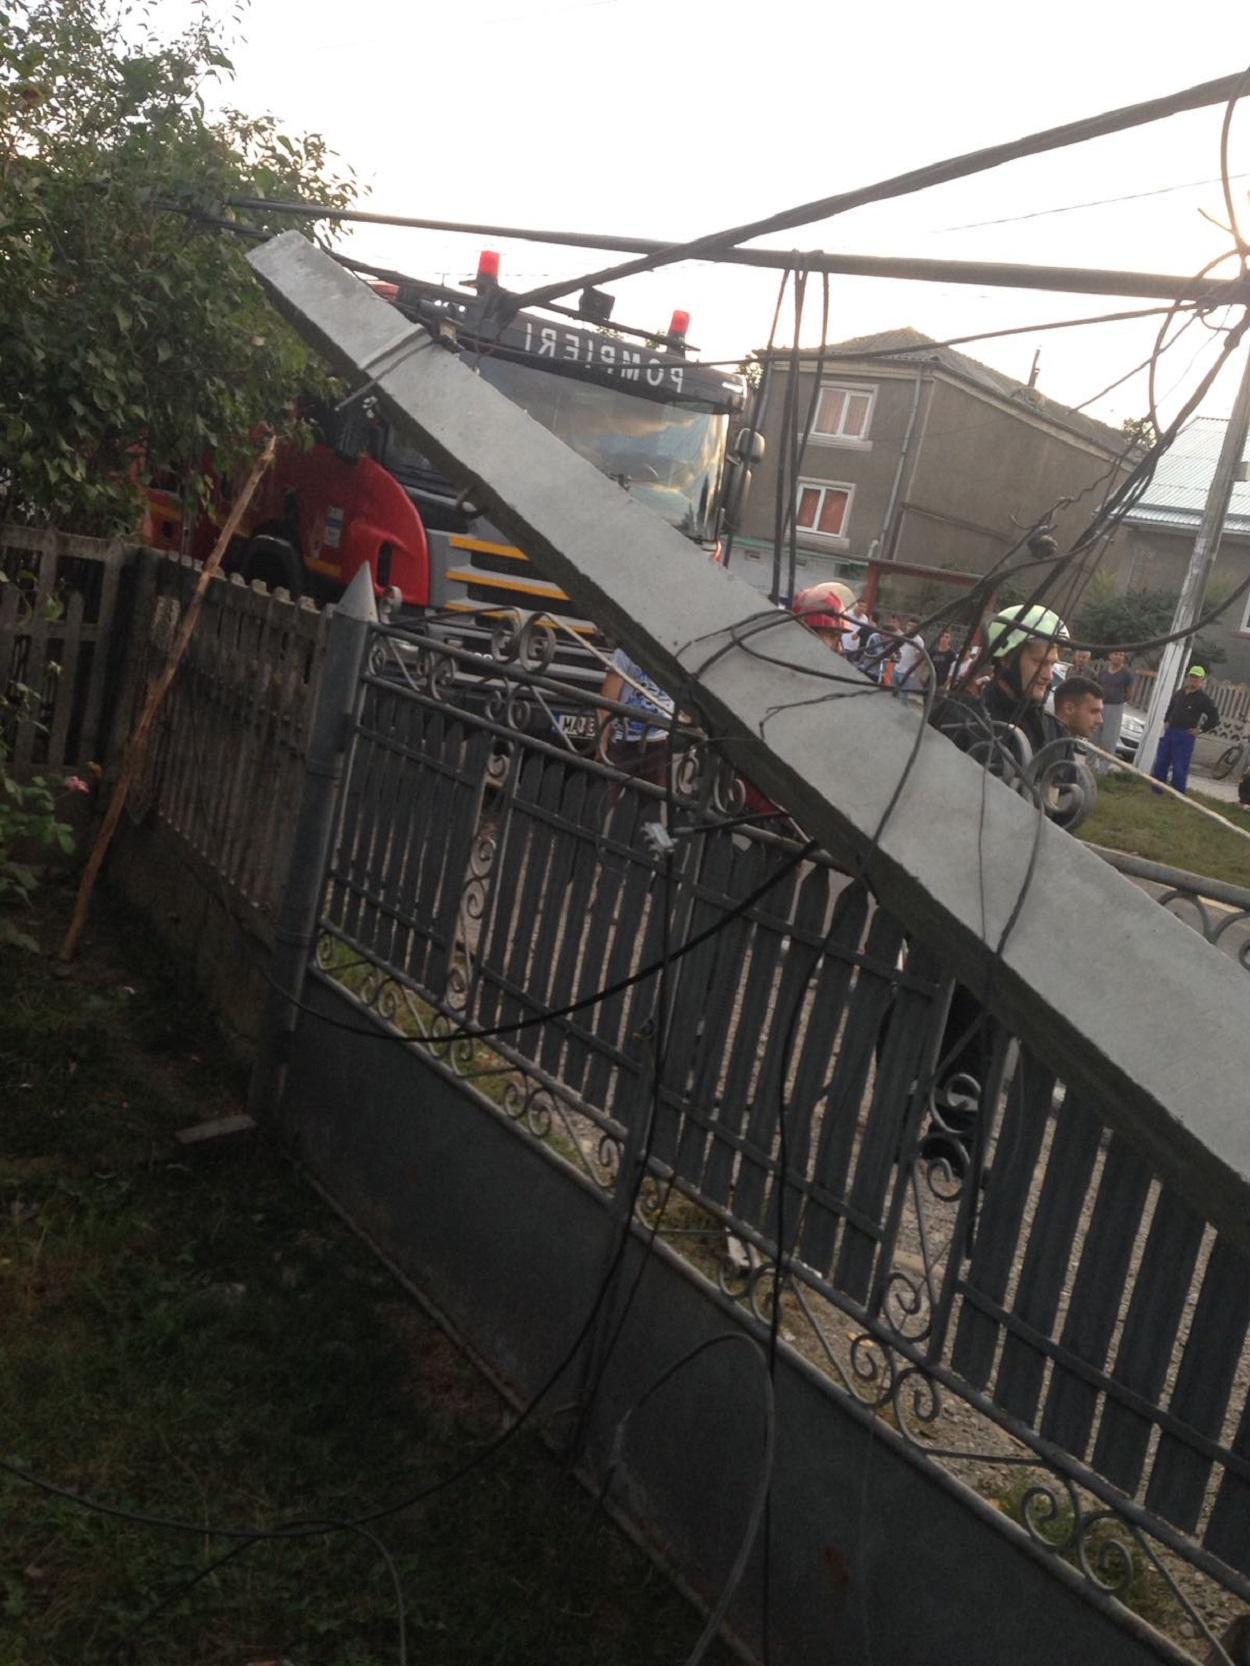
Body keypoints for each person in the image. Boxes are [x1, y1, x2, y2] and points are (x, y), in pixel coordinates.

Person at [598, 645, 673, 785]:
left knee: (652, 794)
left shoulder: (677, 654)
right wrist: (602, 742)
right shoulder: (626, 652)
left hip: (659, 742)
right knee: (611, 790)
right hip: (623, 740)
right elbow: (608, 699)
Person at [1151, 666, 1220, 796]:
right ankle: (1156, 790)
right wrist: (1167, 720)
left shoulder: (1203, 698)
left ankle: (1177, 794)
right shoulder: (1180, 693)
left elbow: (1214, 718)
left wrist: (1200, 729)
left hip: (1185, 735)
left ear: (1202, 680)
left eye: (1197, 678)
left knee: (1180, 766)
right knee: (1161, 761)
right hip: (1170, 732)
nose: (1193, 679)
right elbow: (1171, 707)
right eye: (1192, 676)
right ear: (1188, 677)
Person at [1094, 649, 1133, 769]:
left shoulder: (1126, 675)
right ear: (1110, 655)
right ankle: (1089, 766)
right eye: (1116, 654)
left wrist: (1117, 700)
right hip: (1100, 706)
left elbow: (1129, 694)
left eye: (1121, 655)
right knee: (1094, 737)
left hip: (1115, 708)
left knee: (1109, 740)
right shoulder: (1103, 672)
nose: (1119, 657)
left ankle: (1103, 770)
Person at [1053, 675, 1105, 743]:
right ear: (1069, 708)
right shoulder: (1046, 744)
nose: (1100, 720)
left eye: (1101, 713)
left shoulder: (1065, 744)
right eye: (1093, 712)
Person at [893, 617, 926, 695]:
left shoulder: (919, 641)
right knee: (892, 695)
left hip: (907, 674)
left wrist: (920, 673)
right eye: (909, 625)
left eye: (913, 626)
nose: (910, 628)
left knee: (903, 696)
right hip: (897, 669)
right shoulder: (902, 636)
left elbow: (920, 659)